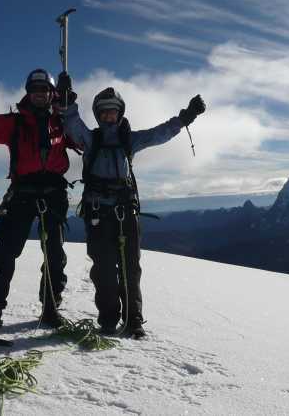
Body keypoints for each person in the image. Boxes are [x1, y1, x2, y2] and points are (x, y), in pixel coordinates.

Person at [56, 73, 206, 338]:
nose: (108, 117)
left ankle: (133, 319)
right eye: (104, 113)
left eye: (112, 112)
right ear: (98, 115)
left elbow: (159, 134)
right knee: (103, 269)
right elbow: (72, 125)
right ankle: (108, 320)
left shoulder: (129, 140)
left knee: (130, 267)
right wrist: (67, 103)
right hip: (99, 213)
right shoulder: (91, 139)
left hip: (124, 212)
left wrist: (185, 117)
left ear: (120, 113)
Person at [0, 62, 75, 330]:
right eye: (35, 89)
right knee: (5, 253)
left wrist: (70, 107)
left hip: (54, 194)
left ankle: (51, 309)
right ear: (28, 93)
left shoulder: (62, 122)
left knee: (54, 253)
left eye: (45, 89)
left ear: (53, 93)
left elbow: (84, 141)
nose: (40, 94)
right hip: (22, 193)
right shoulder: (14, 124)